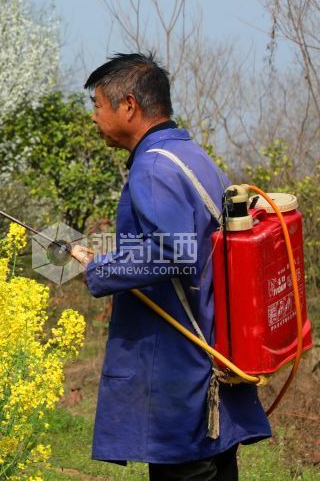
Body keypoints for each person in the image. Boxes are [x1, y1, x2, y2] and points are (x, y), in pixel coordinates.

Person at [68, 53, 271, 480]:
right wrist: (102, 252)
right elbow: (187, 241)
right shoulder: (190, 155)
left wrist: (99, 271)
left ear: (128, 105)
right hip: (208, 354)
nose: (94, 117)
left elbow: (172, 251)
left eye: (97, 104)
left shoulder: (153, 167)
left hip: (178, 373)